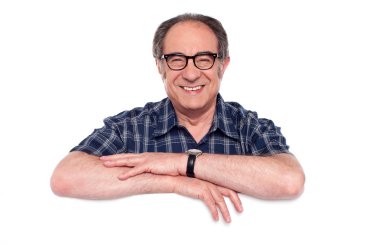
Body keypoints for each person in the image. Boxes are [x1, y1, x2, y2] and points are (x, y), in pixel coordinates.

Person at [50, 13, 305, 223]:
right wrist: (172, 183)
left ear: (223, 65)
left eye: (204, 60)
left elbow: (289, 180)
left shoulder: (250, 128)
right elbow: (66, 177)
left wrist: (183, 163)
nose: (191, 74)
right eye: (176, 60)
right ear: (160, 66)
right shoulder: (130, 128)